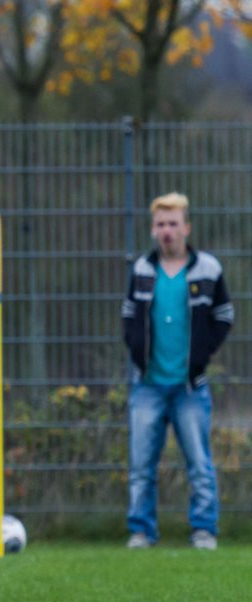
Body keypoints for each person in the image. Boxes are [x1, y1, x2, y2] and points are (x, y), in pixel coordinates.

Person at [122, 192, 234, 550]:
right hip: (148, 386)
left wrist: (201, 355)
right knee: (141, 465)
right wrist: (139, 354)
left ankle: (204, 528)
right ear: (153, 230)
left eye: (173, 223)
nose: (167, 231)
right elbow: (128, 317)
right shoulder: (142, 269)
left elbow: (224, 317)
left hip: (190, 386)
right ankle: (141, 530)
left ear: (186, 227)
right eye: (160, 224)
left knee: (199, 462)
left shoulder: (208, 270)